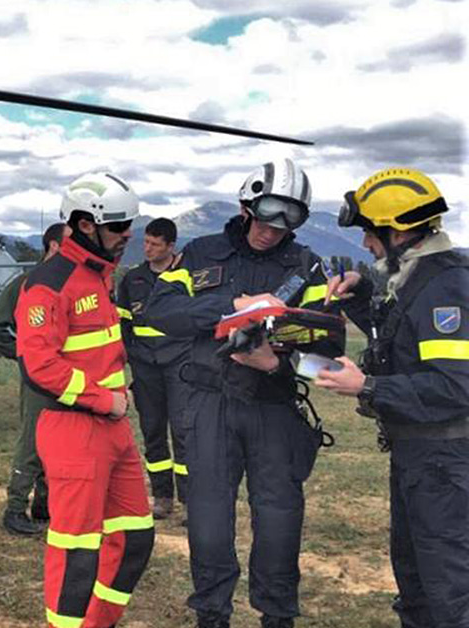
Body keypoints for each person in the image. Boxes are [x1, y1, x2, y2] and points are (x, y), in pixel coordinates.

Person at [144, 158, 332, 628]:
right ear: (247, 205)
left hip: (275, 407)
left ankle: (277, 614)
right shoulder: (201, 253)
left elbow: (326, 353)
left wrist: (279, 362)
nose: (275, 229)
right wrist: (229, 305)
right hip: (211, 404)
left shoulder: (307, 267)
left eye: (290, 218)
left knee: (280, 519)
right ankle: (211, 613)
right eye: (269, 214)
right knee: (207, 519)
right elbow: (159, 311)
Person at [313, 167, 469, 628]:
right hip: (420, 458)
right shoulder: (418, 278)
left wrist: (368, 387)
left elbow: (456, 386)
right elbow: (400, 343)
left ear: (398, 230)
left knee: (449, 594)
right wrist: (360, 297)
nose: (365, 245)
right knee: (416, 585)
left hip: (445, 462)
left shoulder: (446, 289)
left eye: (368, 232)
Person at [16, 172, 153, 628]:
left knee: (134, 539)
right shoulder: (48, 283)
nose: (129, 234)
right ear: (85, 224)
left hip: (113, 429)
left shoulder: (99, 277)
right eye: (119, 226)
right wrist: (101, 399)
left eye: (129, 224)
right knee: (77, 552)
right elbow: (40, 364)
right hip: (74, 428)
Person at [0, 222, 66, 536]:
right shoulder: (26, 284)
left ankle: (44, 505)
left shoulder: (68, 283)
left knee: (58, 442)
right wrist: (23, 355)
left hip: (65, 377)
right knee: (33, 442)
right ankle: (15, 509)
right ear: (54, 247)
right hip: (38, 379)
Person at [115, 217, 192, 522]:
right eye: (145, 242)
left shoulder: (187, 278)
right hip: (146, 368)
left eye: (154, 244)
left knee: (184, 433)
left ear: (171, 246)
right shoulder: (132, 279)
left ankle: (189, 500)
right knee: (153, 431)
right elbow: (123, 323)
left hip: (180, 365)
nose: (147, 248)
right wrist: (133, 356)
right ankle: (162, 497)